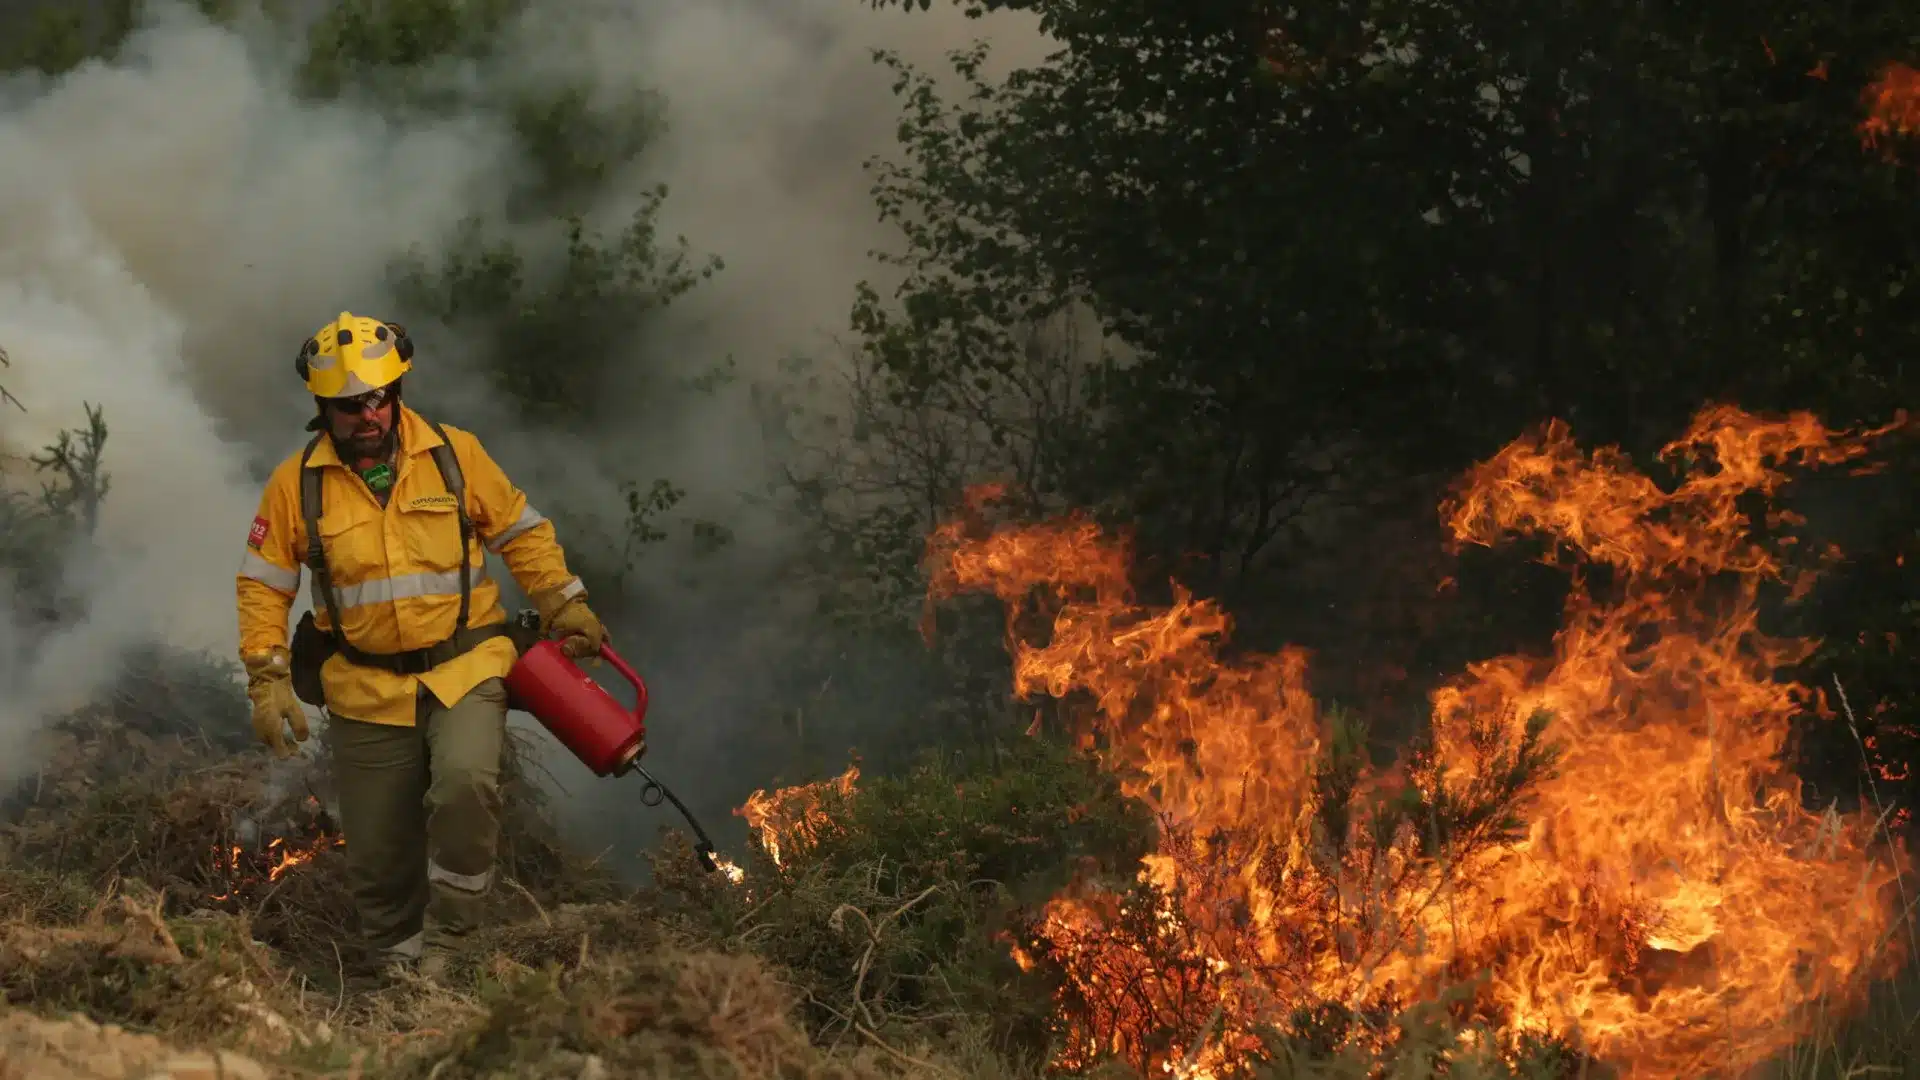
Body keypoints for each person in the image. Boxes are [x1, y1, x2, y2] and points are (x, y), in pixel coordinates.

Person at [234, 311, 607, 978]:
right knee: (377, 853)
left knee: (465, 785)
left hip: (466, 666)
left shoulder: (455, 454)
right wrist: (268, 678)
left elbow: (520, 533)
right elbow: (264, 585)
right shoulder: (297, 485)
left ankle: (453, 948)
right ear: (323, 407)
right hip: (365, 685)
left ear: (397, 390)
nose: (366, 416)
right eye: (348, 406)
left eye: (378, 398)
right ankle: (398, 972)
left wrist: (564, 601)